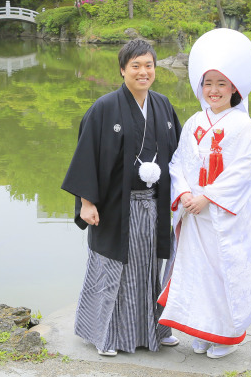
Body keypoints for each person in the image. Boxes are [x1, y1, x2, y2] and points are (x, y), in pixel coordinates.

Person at [62, 39, 183, 356]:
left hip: (153, 206)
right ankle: (107, 336)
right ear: (122, 69)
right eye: (136, 66)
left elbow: (181, 156)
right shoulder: (104, 107)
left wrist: (186, 194)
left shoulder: (163, 106)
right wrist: (86, 203)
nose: (143, 72)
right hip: (116, 206)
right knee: (113, 270)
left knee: (148, 270)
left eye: (149, 66)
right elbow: (86, 155)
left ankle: (155, 329)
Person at [157, 28, 251, 359]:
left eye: (221, 83)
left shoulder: (242, 126)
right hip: (194, 215)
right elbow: (178, 163)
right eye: (208, 83)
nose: (214, 90)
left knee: (224, 275)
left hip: (224, 216)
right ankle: (202, 330)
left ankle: (226, 335)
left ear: (235, 88)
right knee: (196, 275)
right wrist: (186, 193)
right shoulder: (194, 122)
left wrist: (208, 197)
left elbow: (244, 170)